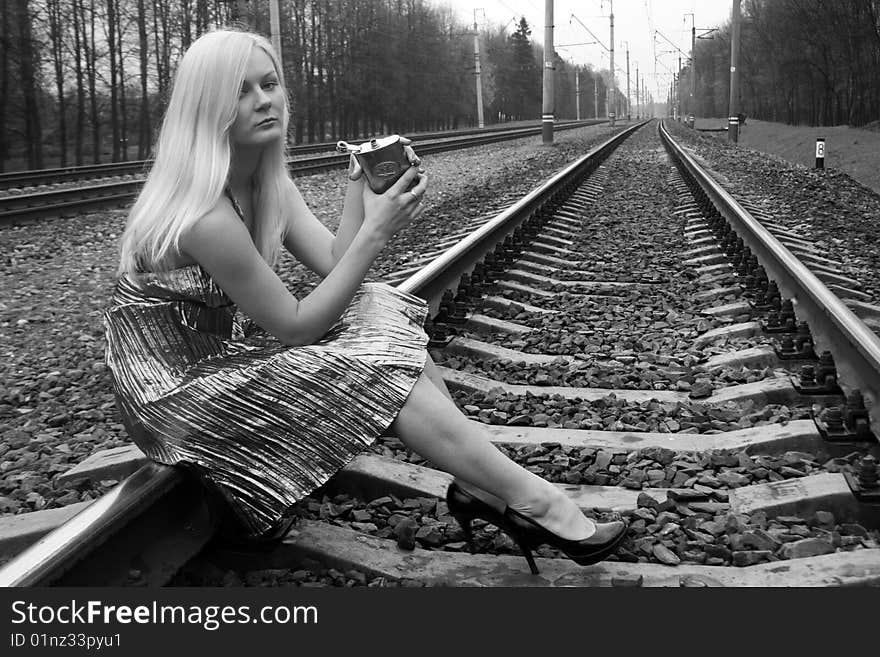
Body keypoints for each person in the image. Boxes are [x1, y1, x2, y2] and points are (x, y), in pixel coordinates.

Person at [104, 28, 626, 574]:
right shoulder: (204, 214)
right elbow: (298, 328)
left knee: (376, 307)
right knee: (371, 366)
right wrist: (377, 232)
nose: (265, 100)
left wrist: (361, 187)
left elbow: (333, 259)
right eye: (241, 92)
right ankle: (535, 501)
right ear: (208, 109)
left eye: (270, 84)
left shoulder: (264, 182)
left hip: (219, 357)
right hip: (175, 392)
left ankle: (481, 484)